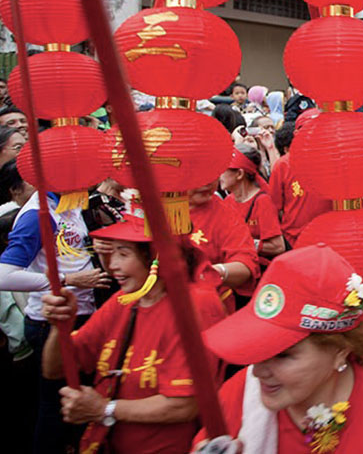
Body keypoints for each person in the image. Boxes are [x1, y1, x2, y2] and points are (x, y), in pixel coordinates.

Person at [193, 244, 363, 453]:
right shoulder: (242, 393)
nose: (257, 371)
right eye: (261, 350)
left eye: (283, 355)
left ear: (340, 350)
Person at [40, 215, 223, 454]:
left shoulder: (195, 306)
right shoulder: (124, 301)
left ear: (155, 258)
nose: (112, 264)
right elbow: (56, 369)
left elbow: (185, 405)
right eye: (111, 253)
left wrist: (104, 409)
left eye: (123, 254)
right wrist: (60, 327)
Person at [0, 187, 109, 453]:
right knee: (55, 407)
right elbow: (4, 275)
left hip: (81, 315)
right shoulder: (38, 214)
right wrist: (67, 281)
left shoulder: (69, 202)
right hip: (51, 321)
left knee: (75, 403)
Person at [188, 178, 260, 313]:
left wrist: (213, 272)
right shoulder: (152, 208)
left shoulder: (224, 212)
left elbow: (246, 264)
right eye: (198, 175)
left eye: (212, 174)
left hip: (210, 311)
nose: (208, 181)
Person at [269, 112, 331, 247]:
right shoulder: (283, 165)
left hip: (328, 240)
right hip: (294, 240)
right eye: (309, 130)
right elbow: (274, 207)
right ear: (297, 133)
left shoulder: (334, 161)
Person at [221, 145, 285, 270]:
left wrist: (246, 243)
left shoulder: (262, 202)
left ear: (239, 174)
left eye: (224, 169)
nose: (219, 174)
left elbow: (278, 246)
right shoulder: (228, 201)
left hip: (258, 271)